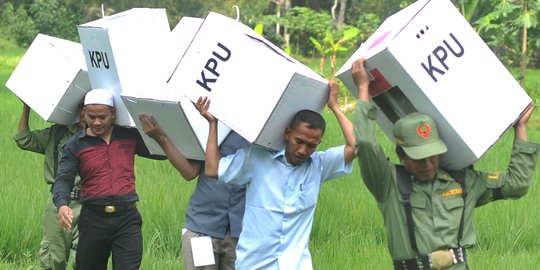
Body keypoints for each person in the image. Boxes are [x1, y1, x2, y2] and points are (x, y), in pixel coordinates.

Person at [351, 58, 539, 270]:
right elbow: (366, 143)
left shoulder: (463, 181)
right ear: (401, 155)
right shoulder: (388, 183)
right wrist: (363, 88)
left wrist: (521, 128)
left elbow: (517, 185)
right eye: (419, 158)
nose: (428, 163)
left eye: (433, 155)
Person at [194, 81, 356, 269]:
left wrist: (335, 107)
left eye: (311, 145)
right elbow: (212, 169)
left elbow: (356, 145)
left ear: (319, 143)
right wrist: (212, 124)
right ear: (288, 134)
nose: (303, 150)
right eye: (299, 141)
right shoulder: (257, 158)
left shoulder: (319, 166)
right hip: (254, 265)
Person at [52, 88, 165, 270]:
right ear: (84, 114)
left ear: (113, 114)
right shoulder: (75, 145)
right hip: (93, 220)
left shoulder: (129, 136)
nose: (96, 122)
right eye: (91, 117)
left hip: (127, 218)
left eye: (102, 117)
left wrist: (161, 136)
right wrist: (62, 204)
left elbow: (161, 154)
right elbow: (63, 178)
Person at [139, 113, 250, 270]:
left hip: (242, 234)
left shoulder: (263, 133)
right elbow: (189, 171)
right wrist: (162, 139)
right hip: (203, 228)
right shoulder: (213, 125)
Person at [14, 102, 85, 270]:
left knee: (84, 259)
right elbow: (24, 139)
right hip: (58, 203)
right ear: (78, 111)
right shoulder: (58, 133)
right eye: (83, 108)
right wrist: (26, 107)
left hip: (88, 205)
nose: (86, 114)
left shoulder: (103, 137)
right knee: (53, 258)